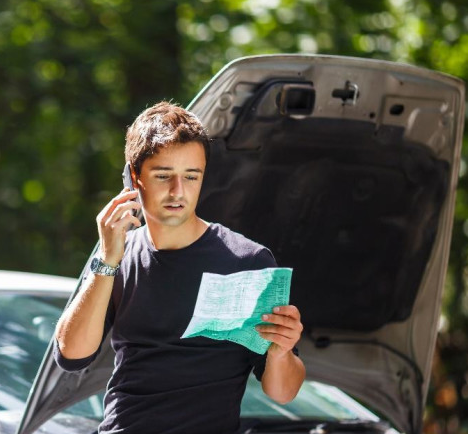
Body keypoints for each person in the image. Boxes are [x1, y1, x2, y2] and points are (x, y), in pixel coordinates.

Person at [54, 102, 305, 434]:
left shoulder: (247, 261)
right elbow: (71, 356)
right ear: (133, 176)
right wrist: (107, 259)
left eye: (191, 176)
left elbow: (283, 392)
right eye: (163, 175)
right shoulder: (116, 255)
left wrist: (283, 351)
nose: (178, 191)